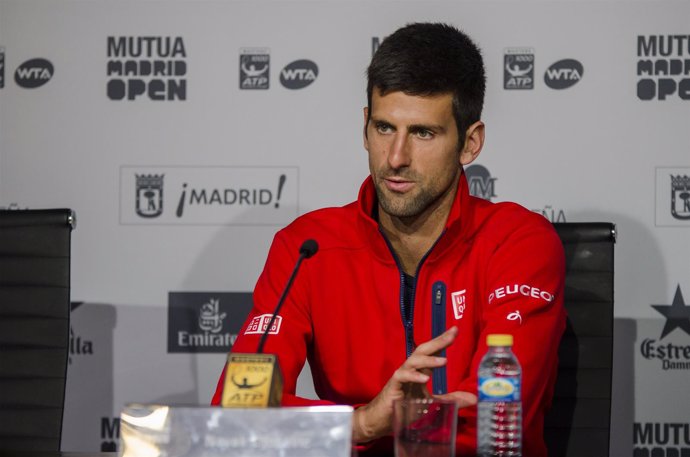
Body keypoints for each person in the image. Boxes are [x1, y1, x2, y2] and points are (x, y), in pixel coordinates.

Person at [212, 22, 566, 456]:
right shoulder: (306, 248)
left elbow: (496, 424)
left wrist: (383, 426)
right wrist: (361, 422)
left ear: (470, 143)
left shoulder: (518, 243)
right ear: (365, 128)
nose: (396, 158)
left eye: (423, 133)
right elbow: (237, 411)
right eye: (384, 129)